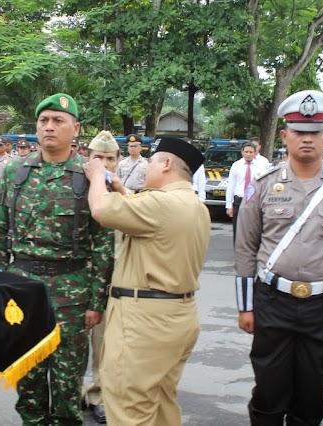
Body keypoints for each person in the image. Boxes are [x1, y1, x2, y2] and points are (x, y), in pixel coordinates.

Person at [235, 90, 323, 425]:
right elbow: (246, 247)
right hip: (272, 300)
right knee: (268, 390)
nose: (307, 139)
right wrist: (246, 305)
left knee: (312, 395)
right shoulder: (264, 185)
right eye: (299, 132)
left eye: (314, 132)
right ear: (285, 136)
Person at [0, 93, 113, 425]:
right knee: (27, 380)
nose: (49, 127)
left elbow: (103, 244)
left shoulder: (89, 176)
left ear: (76, 128)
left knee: (67, 383)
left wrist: (96, 302)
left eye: (58, 120)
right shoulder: (16, 171)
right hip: (24, 290)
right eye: (43, 120)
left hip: (72, 292)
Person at [83, 136, 209, 425]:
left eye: (151, 161)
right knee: (161, 403)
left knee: (129, 408)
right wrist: (123, 189)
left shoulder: (161, 204)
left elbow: (101, 210)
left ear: (166, 165)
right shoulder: (192, 204)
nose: (146, 166)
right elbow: (149, 216)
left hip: (144, 323)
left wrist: (96, 177)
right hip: (177, 316)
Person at [82, 130, 121, 424]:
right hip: (72, 278)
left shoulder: (125, 192)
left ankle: (98, 394)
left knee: (104, 343)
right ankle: (72, 392)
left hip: (108, 281)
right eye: (99, 157)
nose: (105, 163)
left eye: (110, 158)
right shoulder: (71, 187)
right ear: (88, 158)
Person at [225, 141, 260, 244]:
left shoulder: (260, 166)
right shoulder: (236, 165)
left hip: (254, 200)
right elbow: (231, 185)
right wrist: (229, 205)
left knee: (253, 228)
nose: (248, 154)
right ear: (242, 152)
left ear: (255, 153)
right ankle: (238, 250)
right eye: (246, 152)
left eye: (251, 152)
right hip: (239, 199)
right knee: (238, 227)